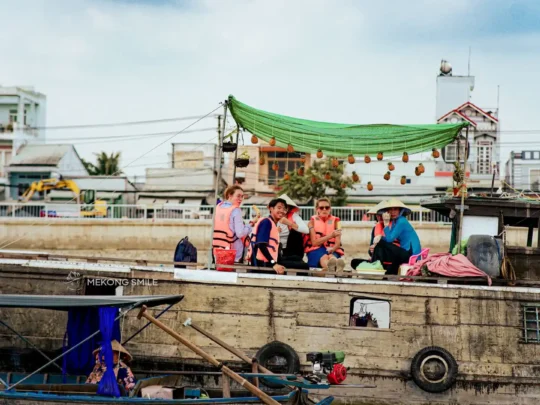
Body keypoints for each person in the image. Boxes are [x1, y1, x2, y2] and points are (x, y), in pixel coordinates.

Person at [372, 198, 421, 275]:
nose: (392, 212)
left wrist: (386, 224)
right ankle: (377, 265)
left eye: (395, 209)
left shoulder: (401, 221)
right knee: (380, 244)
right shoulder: (395, 222)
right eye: (390, 210)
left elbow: (389, 239)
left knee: (381, 242)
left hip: (410, 254)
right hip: (404, 252)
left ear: (400, 211)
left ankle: (375, 264)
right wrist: (380, 237)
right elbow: (389, 237)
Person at [213, 185, 259, 263]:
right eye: (238, 196)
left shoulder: (218, 207)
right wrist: (250, 225)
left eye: (242, 196)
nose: (240, 199)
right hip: (232, 252)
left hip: (217, 249)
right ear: (230, 195)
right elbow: (240, 233)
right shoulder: (236, 210)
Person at [305, 198, 345, 271]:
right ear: (317, 209)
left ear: (330, 209)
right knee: (324, 257)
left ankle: (336, 266)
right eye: (321, 207)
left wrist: (333, 249)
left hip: (332, 248)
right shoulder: (311, 222)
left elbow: (338, 242)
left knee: (331, 256)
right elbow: (314, 242)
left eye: (327, 207)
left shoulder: (337, 221)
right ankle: (331, 268)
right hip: (316, 249)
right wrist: (330, 236)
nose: (324, 209)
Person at [249, 198, 287, 274]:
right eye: (279, 208)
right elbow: (261, 244)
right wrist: (273, 263)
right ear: (271, 208)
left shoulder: (273, 223)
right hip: (262, 265)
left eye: (284, 209)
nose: (282, 211)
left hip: (266, 263)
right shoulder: (266, 222)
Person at [350, 200, 388, 269]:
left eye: (381, 215)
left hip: (389, 259)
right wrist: (371, 250)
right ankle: (373, 266)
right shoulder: (375, 228)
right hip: (376, 260)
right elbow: (370, 251)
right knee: (354, 262)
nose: (379, 217)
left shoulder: (393, 227)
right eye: (377, 215)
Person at [277, 194, 310, 270]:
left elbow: (306, 230)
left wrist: (290, 223)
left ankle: (295, 260)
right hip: (278, 249)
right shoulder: (272, 218)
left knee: (295, 231)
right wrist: (274, 231)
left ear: (289, 207)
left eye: (285, 207)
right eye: (279, 207)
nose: (282, 209)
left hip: (293, 250)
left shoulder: (294, 216)